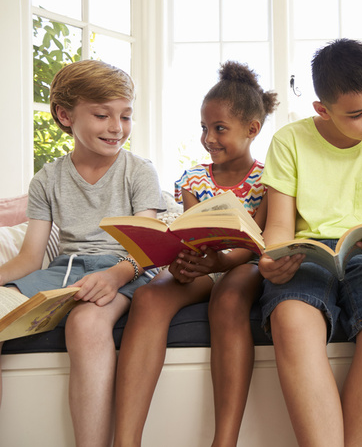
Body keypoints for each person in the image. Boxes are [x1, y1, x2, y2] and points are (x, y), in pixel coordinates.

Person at [257, 38, 362, 447]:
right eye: (356, 114)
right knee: (291, 322)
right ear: (322, 110)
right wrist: (270, 258)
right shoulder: (289, 141)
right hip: (305, 255)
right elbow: (278, 225)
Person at [0, 59, 165, 447]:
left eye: (125, 116)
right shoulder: (47, 178)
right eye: (102, 115)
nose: (116, 127)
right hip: (63, 271)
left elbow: (149, 246)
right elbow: (29, 259)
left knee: (86, 325)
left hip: (126, 267)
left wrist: (115, 276)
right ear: (65, 114)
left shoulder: (139, 171)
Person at [113, 61, 278, 447]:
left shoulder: (269, 178)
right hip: (203, 265)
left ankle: (224, 440)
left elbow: (260, 241)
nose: (209, 138)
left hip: (244, 264)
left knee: (230, 296)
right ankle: (126, 439)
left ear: (252, 129)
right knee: (151, 294)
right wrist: (183, 260)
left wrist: (222, 261)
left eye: (220, 128)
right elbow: (192, 233)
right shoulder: (193, 179)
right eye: (204, 128)